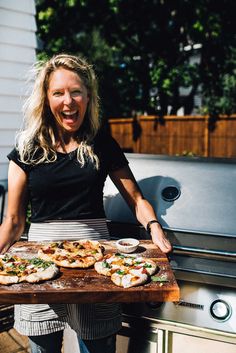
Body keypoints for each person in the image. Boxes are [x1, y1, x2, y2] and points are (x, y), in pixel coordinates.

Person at [0, 53, 172, 353]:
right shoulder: (27, 150)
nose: (68, 101)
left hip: (97, 263)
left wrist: (154, 227)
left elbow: (136, 199)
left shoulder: (101, 143)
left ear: (88, 96)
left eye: (75, 91)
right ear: (46, 98)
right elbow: (13, 222)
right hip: (38, 263)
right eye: (58, 93)